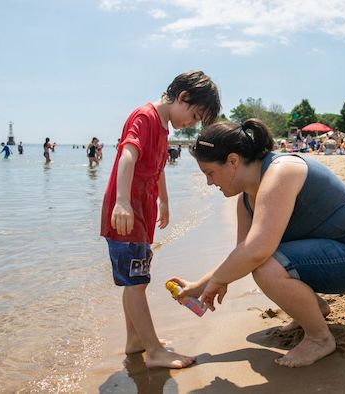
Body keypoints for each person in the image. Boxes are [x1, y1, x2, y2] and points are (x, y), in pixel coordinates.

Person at [171, 119, 345, 368]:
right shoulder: (246, 200)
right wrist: (198, 287)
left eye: (210, 173)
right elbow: (242, 252)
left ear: (232, 161)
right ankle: (313, 309)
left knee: (265, 266)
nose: (210, 182)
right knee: (261, 260)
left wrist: (220, 280)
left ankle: (319, 338)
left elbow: (256, 252)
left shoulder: (281, 171)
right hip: (334, 252)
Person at [100, 70, 221, 369]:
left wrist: (163, 200)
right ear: (182, 97)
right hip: (126, 214)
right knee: (136, 282)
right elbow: (128, 155)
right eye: (193, 116)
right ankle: (153, 350)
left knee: (136, 278)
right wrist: (123, 202)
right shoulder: (144, 117)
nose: (191, 124)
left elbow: (159, 166)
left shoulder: (163, 128)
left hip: (142, 214)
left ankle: (136, 340)